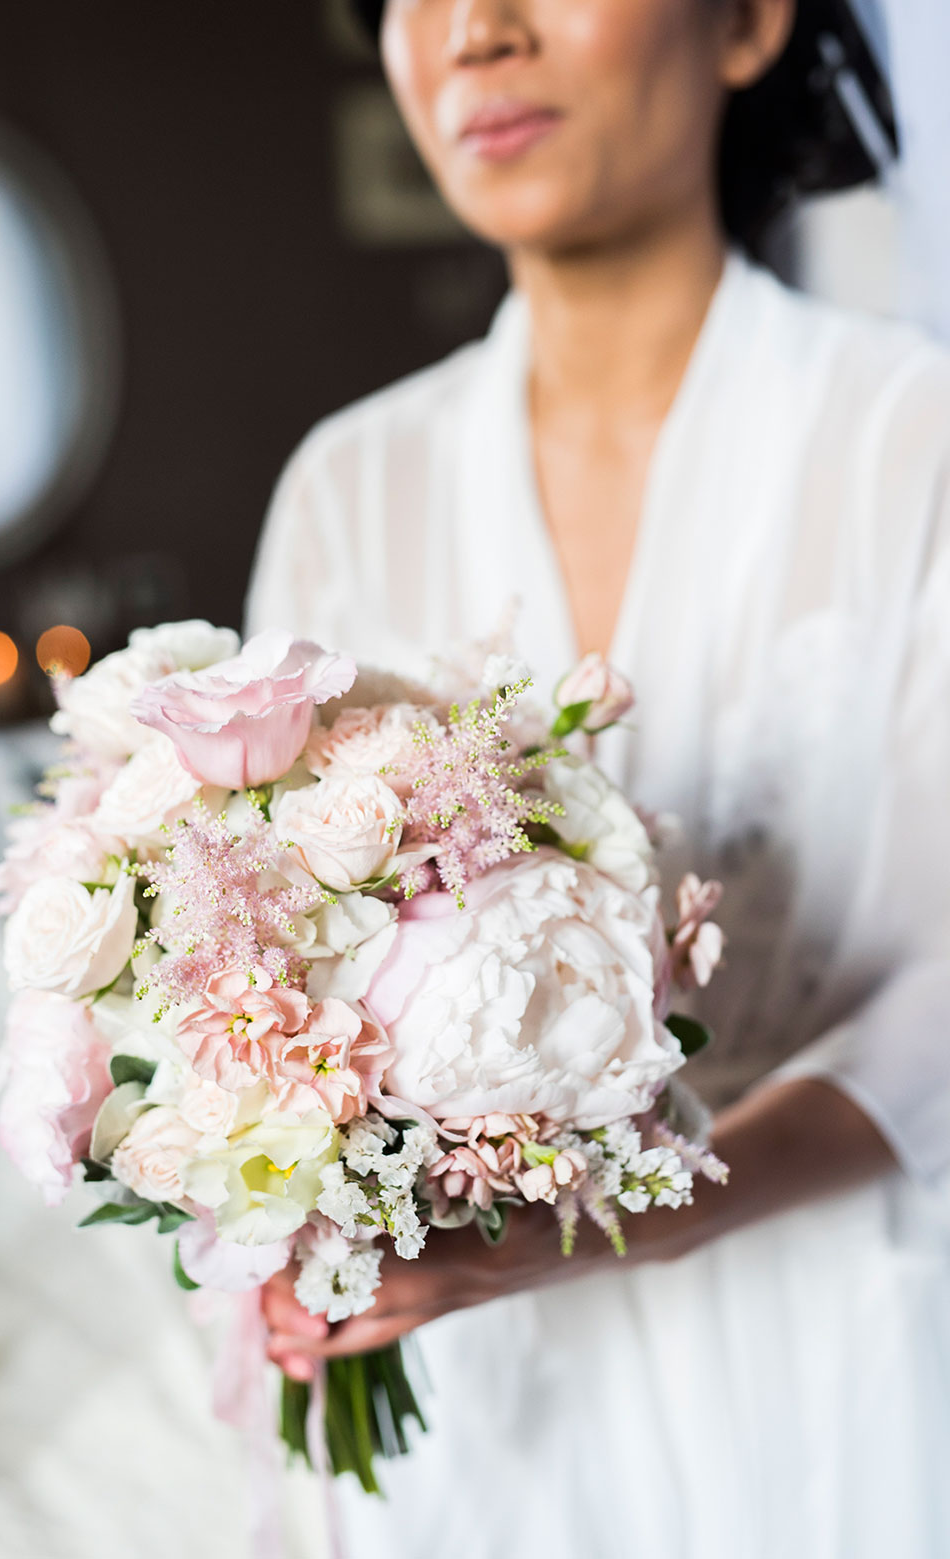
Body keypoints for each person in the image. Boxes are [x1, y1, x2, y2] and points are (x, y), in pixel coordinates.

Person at [245, 2, 950, 1554]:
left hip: (839, 1356)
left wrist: (600, 1222)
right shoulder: (350, 487)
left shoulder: (914, 444)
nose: (474, 35)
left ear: (747, 23)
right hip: (476, 1401)